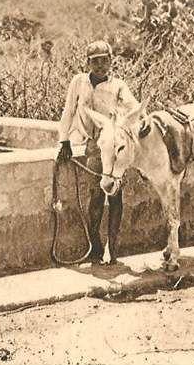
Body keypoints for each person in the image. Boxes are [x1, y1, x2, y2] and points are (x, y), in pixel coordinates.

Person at [56, 40, 139, 265]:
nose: (101, 66)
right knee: (95, 196)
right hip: (93, 146)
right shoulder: (79, 82)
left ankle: (113, 247)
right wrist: (64, 142)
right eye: (95, 61)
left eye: (105, 61)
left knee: (115, 196)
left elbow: (134, 109)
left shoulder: (118, 86)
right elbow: (69, 111)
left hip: (112, 144)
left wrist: (121, 126)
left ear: (111, 61)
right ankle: (95, 246)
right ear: (88, 63)